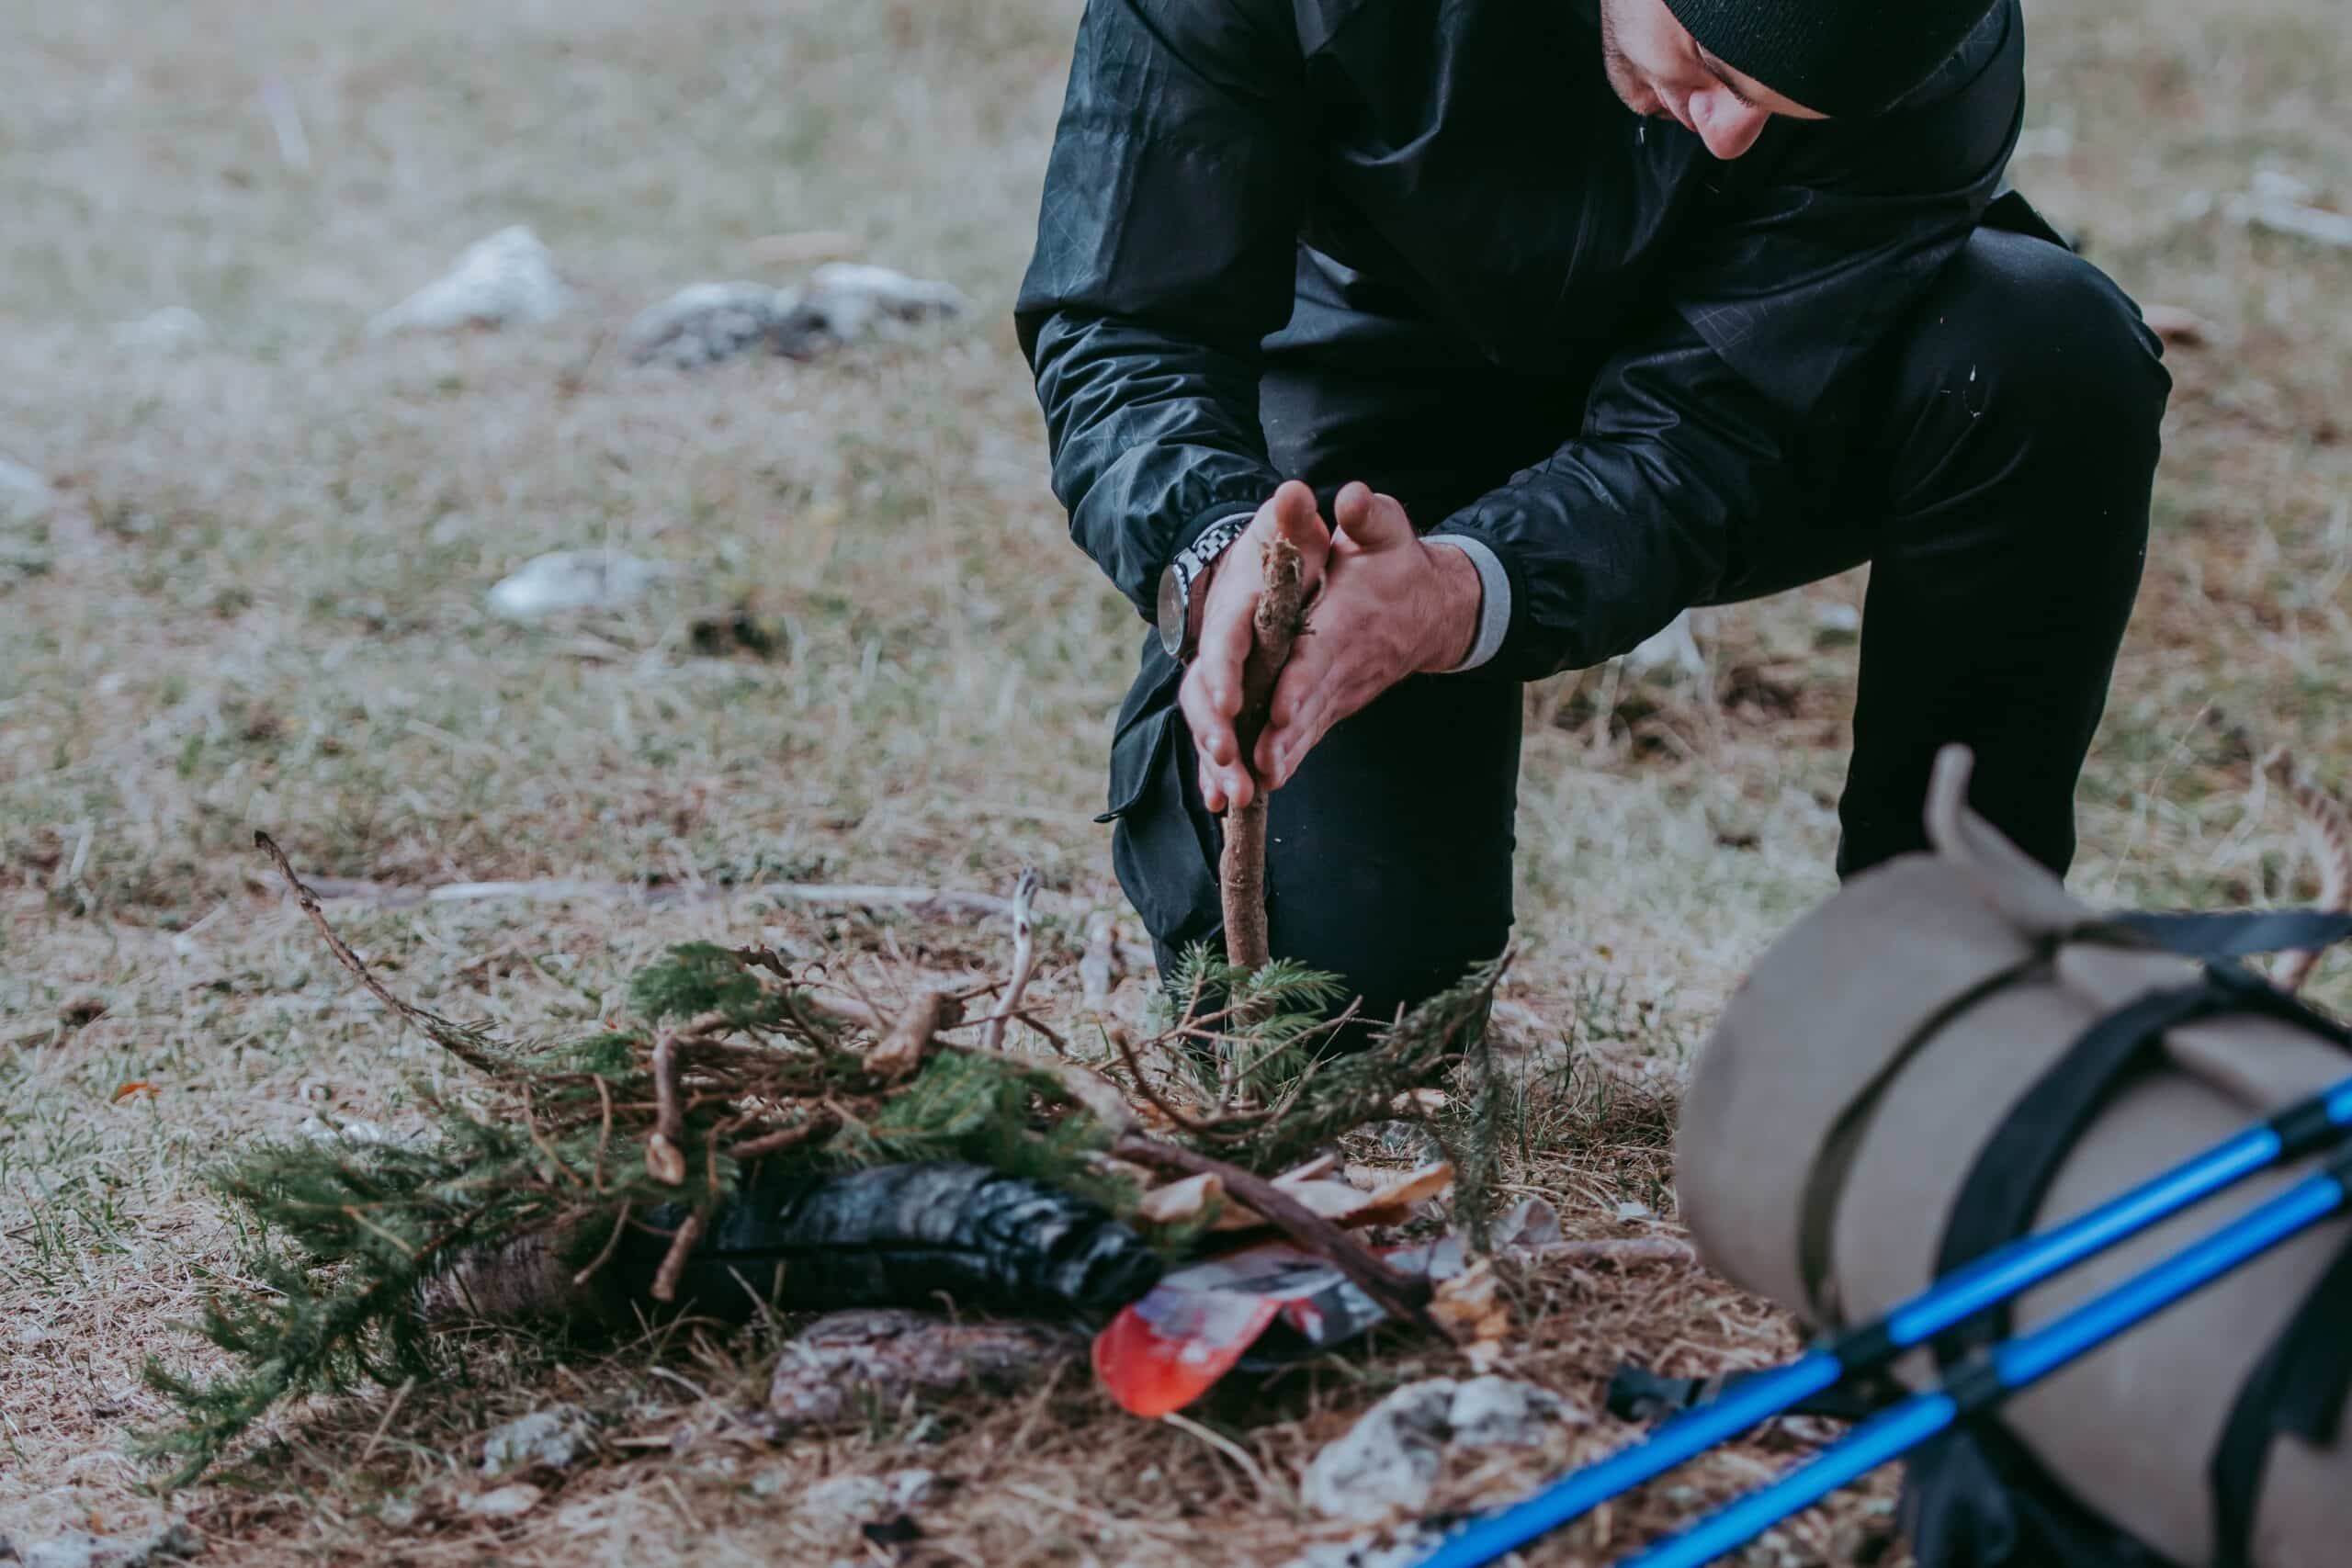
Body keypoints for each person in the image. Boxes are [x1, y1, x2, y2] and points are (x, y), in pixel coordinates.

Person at [1015, 0, 2170, 1024]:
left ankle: (1947, 985)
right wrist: (1217, 552)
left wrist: (1464, 591)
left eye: (1782, 111)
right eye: (1711, 66)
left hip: (1743, 368)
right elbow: (1126, 311)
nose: (1725, 133)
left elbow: (1709, 431)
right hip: (1372, 389)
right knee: (1340, 989)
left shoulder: (1940, 44)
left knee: (2043, 347)